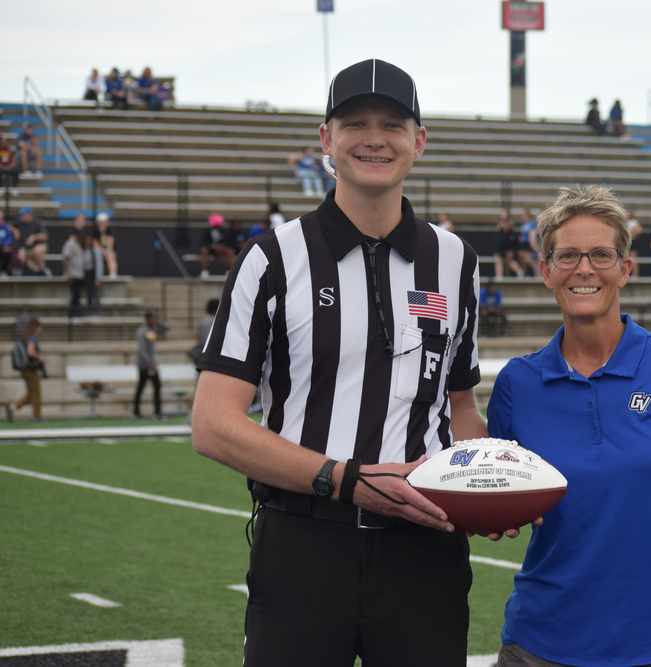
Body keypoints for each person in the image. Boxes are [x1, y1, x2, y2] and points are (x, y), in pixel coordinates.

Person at [191, 58, 490, 666]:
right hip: (304, 542)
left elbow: (459, 407)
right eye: (354, 123)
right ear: (326, 139)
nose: (374, 138)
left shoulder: (455, 261)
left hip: (424, 551)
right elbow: (213, 424)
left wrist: (484, 487)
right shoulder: (271, 257)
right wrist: (346, 479)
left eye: (392, 124)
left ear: (419, 141)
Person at [488, 185, 651, 667]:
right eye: (568, 256)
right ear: (546, 271)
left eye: (601, 255)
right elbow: (504, 498)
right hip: (539, 645)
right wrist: (493, 512)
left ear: (626, 267)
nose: (584, 269)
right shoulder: (518, 382)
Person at [62, 215, 104, 317]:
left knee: (89, 295)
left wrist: (97, 277)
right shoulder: (72, 243)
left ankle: (90, 311)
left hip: (86, 274)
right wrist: (67, 273)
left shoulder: (93, 248)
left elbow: (97, 263)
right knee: (75, 296)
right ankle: (74, 313)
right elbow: (66, 258)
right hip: (75, 274)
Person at [8, 316, 46, 421]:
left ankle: (13, 407)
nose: (41, 329)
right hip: (30, 369)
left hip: (25, 369)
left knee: (31, 393)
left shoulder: (26, 337)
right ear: (36, 327)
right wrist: (40, 358)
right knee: (37, 393)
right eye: (39, 327)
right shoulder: (32, 337)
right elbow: (30, 352)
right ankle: (37, 416)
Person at [134, 310, 163, 419]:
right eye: (153, 318)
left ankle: (156, 411)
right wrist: (151, 364)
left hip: (150, 364)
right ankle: (138, 412)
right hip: (145, 365)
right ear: (147, 319)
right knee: (143, 386)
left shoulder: (151, 330)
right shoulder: (142, 331)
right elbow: (142, 350)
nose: (155, 320)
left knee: (155, 386)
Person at [198, 213, 239, 277]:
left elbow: (230, 243)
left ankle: (230, 272)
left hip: (223, 249)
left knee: (230, 252)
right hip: (211, 250)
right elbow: (203, 243)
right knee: (204, 251)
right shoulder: (207, 231)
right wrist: (212, 246)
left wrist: (222, 247)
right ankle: (204, 271)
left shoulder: (225, 231)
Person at [18, 208, 49, 276]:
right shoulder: (20, 224)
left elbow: (45, 236)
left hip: (37, 247)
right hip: (25, 248)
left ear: (29, 215)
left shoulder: (37, 223)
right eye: (21, 215)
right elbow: (12, 229)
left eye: (23, 215)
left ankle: (43, 270)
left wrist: (34, 237)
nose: (21, 216)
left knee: (38, 250)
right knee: (21, 255)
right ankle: (35, 272)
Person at [191, 298, 220, 366]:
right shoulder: (214, 322)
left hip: (205, 355)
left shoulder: (204, 322)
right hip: (210, 355)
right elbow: (206, 341)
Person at [495, 210, 525, 277]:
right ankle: (499, 278)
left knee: (515, 258)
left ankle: (520, 273)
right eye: (502, 220)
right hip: (502, 254)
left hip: (512, 255)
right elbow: (498, 248)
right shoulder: (499, 232)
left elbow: (516, 245)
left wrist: (512, 252)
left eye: (506, 220)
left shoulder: (513, 233)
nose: (504, 223)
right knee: (498, 258)